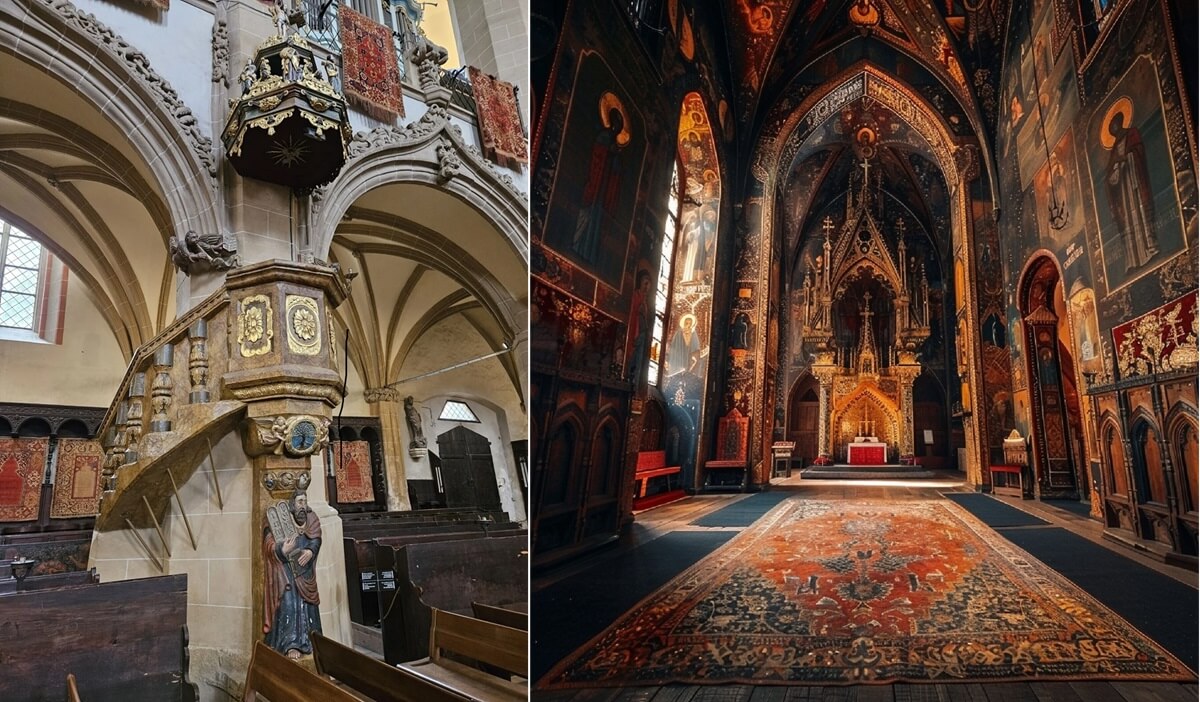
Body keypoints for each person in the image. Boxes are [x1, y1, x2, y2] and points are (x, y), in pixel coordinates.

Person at [262, 490, 322, 658]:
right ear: (291, 505)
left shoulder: (312, 519)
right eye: (299, 502)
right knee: (289, 603)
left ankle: (313, 641)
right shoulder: (277, 519)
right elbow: (268, 543)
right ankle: (290, 644)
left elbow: (316, 539)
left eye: (305, 501)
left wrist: (310, 551)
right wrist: (282, 549)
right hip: (285, 572)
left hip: (304, 570)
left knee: (308, 606)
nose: (302, 506)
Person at [1104, 109, 1158, 272]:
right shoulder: (1113, 150)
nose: (1114, 129)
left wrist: (1127, 157)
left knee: (1141, 216)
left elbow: (1138, 151)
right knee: (1128, 223)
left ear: (1120, 122)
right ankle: (1133, 260)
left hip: (1134, 181)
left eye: (1115, 125)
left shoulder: (1132, 133)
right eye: (1111, 129)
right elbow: (1109, 177)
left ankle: (1150, 249)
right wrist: (1116, 167)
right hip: (1123, 190)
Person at [573, 104, 625, 265]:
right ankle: (577, 245)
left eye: (619, 126)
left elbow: (616, 171)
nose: (616, 128)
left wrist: (615, 158)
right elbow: (597, 154)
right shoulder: (603, 137)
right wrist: (608, 152)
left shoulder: (615, 145)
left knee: (597, 224)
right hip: (595, 186)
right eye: (615, 123)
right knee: (586, 217)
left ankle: (590, 254)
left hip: (603, 191)